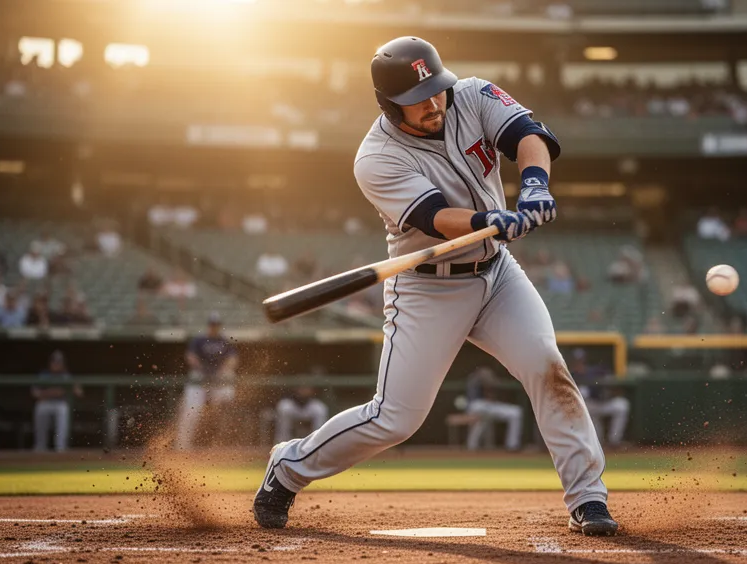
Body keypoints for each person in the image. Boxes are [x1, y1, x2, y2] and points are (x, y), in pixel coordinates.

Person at [254, 37, 617, 536]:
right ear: (388, 104)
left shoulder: (471, 94)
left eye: (435, 90)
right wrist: (490, 216)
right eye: (416, 99)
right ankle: (287, 468)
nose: (432, 103)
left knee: (547, 366)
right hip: (427, 289)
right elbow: (435, 217)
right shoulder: (375, 158)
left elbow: (527, 136)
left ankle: (588, 498)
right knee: (395, 419)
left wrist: (534, 183)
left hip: (496, 273)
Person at [176, 312, 238, 450]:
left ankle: (224, 443)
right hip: (200, 377)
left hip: (218, 379)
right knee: (191, 410)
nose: (214, 327)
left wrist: (221, 370)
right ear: (208, 325)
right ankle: (182, 446)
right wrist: (202, 368)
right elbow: (190, 356)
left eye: (216, 325)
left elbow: (233, 360)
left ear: (219, 326)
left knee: (227, 386)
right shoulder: (199, 339)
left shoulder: (224, 341)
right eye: (212, 324)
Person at [570, 349, 630, 449]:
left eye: (581, 360)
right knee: (596, 438)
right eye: (576, 361)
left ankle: (614, 441)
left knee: (622, 406)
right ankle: (597, 443)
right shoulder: (571, 375)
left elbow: (609, 378)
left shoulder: (594, 370)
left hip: (604, 403)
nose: (579, 363)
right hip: (590, 405)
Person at [32, 350, 82, 452]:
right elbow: (34, 393)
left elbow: (79, 392)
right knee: (40, 408)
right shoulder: (43, 375)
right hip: (45, 403)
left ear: (63, 364)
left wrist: (72, 387)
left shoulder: (66, 375)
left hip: (60, 403)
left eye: (59, 362)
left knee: (63, 410)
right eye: (54, 362)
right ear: (50, 363)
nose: (56, 365)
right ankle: (40, 447)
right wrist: (55, 392)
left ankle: (60, 447)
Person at [464, 367, 523, 452]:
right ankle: (512, 445)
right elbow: (489, 381)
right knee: (515, 412)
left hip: (482, 406)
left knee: (515, 412)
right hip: (478, 405)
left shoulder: (476, 377)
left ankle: (472, 446)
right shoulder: (480, 374)